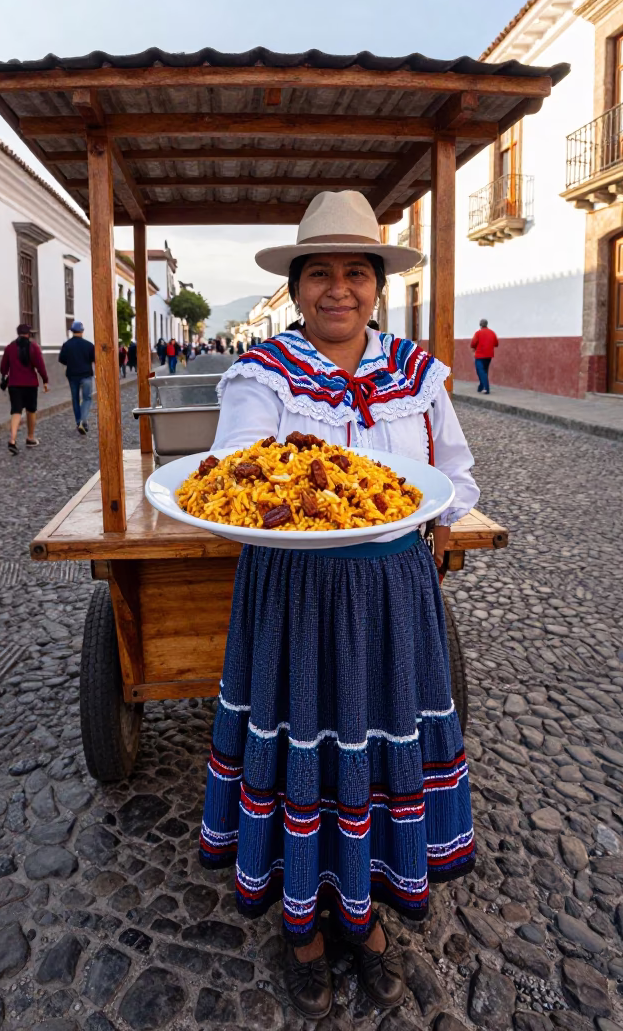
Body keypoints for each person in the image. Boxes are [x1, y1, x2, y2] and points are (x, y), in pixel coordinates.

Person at [199, 191, 479, 1019]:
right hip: (294, 593)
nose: (339, 290)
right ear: (296, 288)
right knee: (305, 750)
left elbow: (454, 474)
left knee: (377, 742)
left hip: (394, 596)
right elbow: (232, 469)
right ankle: (305, 930)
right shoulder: (262, 375)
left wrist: (432, 520)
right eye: (319, 273)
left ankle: (366, 911)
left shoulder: (416, 374)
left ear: (377, 286)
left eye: (357, 272)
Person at [0, 324, 49, 454]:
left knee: (16, 411)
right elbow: (40, 366)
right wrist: (45, 380)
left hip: (14, 384)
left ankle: (12, 440)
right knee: (31, 410)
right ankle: (30, 437)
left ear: (18, 333)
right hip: (30, 384)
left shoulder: (10, 347)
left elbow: (3, 368)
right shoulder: (34, 347)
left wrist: (6, 374)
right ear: (28, 334)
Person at [58, 321, 95, 436]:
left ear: (72, 331)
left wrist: (71, 362)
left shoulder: (67, 345)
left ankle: (78, 421)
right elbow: (94, 359)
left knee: (75, 399)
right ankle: (83, 421)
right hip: (86, 375)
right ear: (82, 331)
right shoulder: (89, 345)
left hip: (72, 375)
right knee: (87, 398)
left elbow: (62, 359)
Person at [470, 319, 498, 394]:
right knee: (485, 371)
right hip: (489, 355)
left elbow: (473, 343)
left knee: (480, 371)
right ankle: (481, 387)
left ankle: (486, 388)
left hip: (479, 355)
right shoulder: (492, 333)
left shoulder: (478, 333)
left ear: (480, 325)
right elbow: (496, 343)